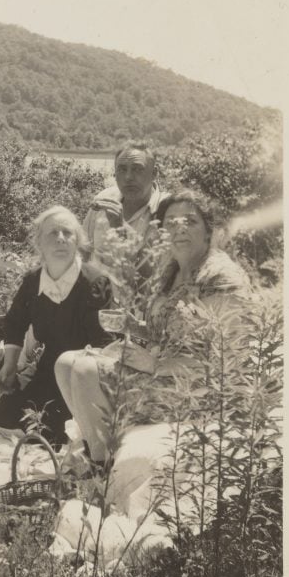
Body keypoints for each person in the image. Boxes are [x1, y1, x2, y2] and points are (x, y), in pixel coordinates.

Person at [55, 190, 252, 462]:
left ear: (209, 231)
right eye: (171, 222)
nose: (179, 229)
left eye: (190, 222)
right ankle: (94, 449)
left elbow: (229, 355)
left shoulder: (221, 277)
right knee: (65, 362)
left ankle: (102, 469)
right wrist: (135, 327)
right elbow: (171, 329)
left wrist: (157, 365)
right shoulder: (169, 271)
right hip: (165, 374)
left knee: (87, 369)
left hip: (201, 391)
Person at [0, 206, 113, 443]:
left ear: (78, 241)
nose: (60, 239)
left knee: (53, 433)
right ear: (39, 243)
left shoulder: (94, 283)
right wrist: (10, 366)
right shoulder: (33, 282)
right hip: (46, 370)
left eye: (67, 233)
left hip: (81, 377)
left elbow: (104, 344)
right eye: (52, 233)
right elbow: (15, 323)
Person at [83, 141, 165, 261]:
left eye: (137, 169)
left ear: (154, 173)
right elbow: (83, 250)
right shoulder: (104, 198)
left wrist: (121, 229)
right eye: (122, 170)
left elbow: (157, 271)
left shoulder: (167, 209)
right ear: (115, 173)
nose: (128, 177)